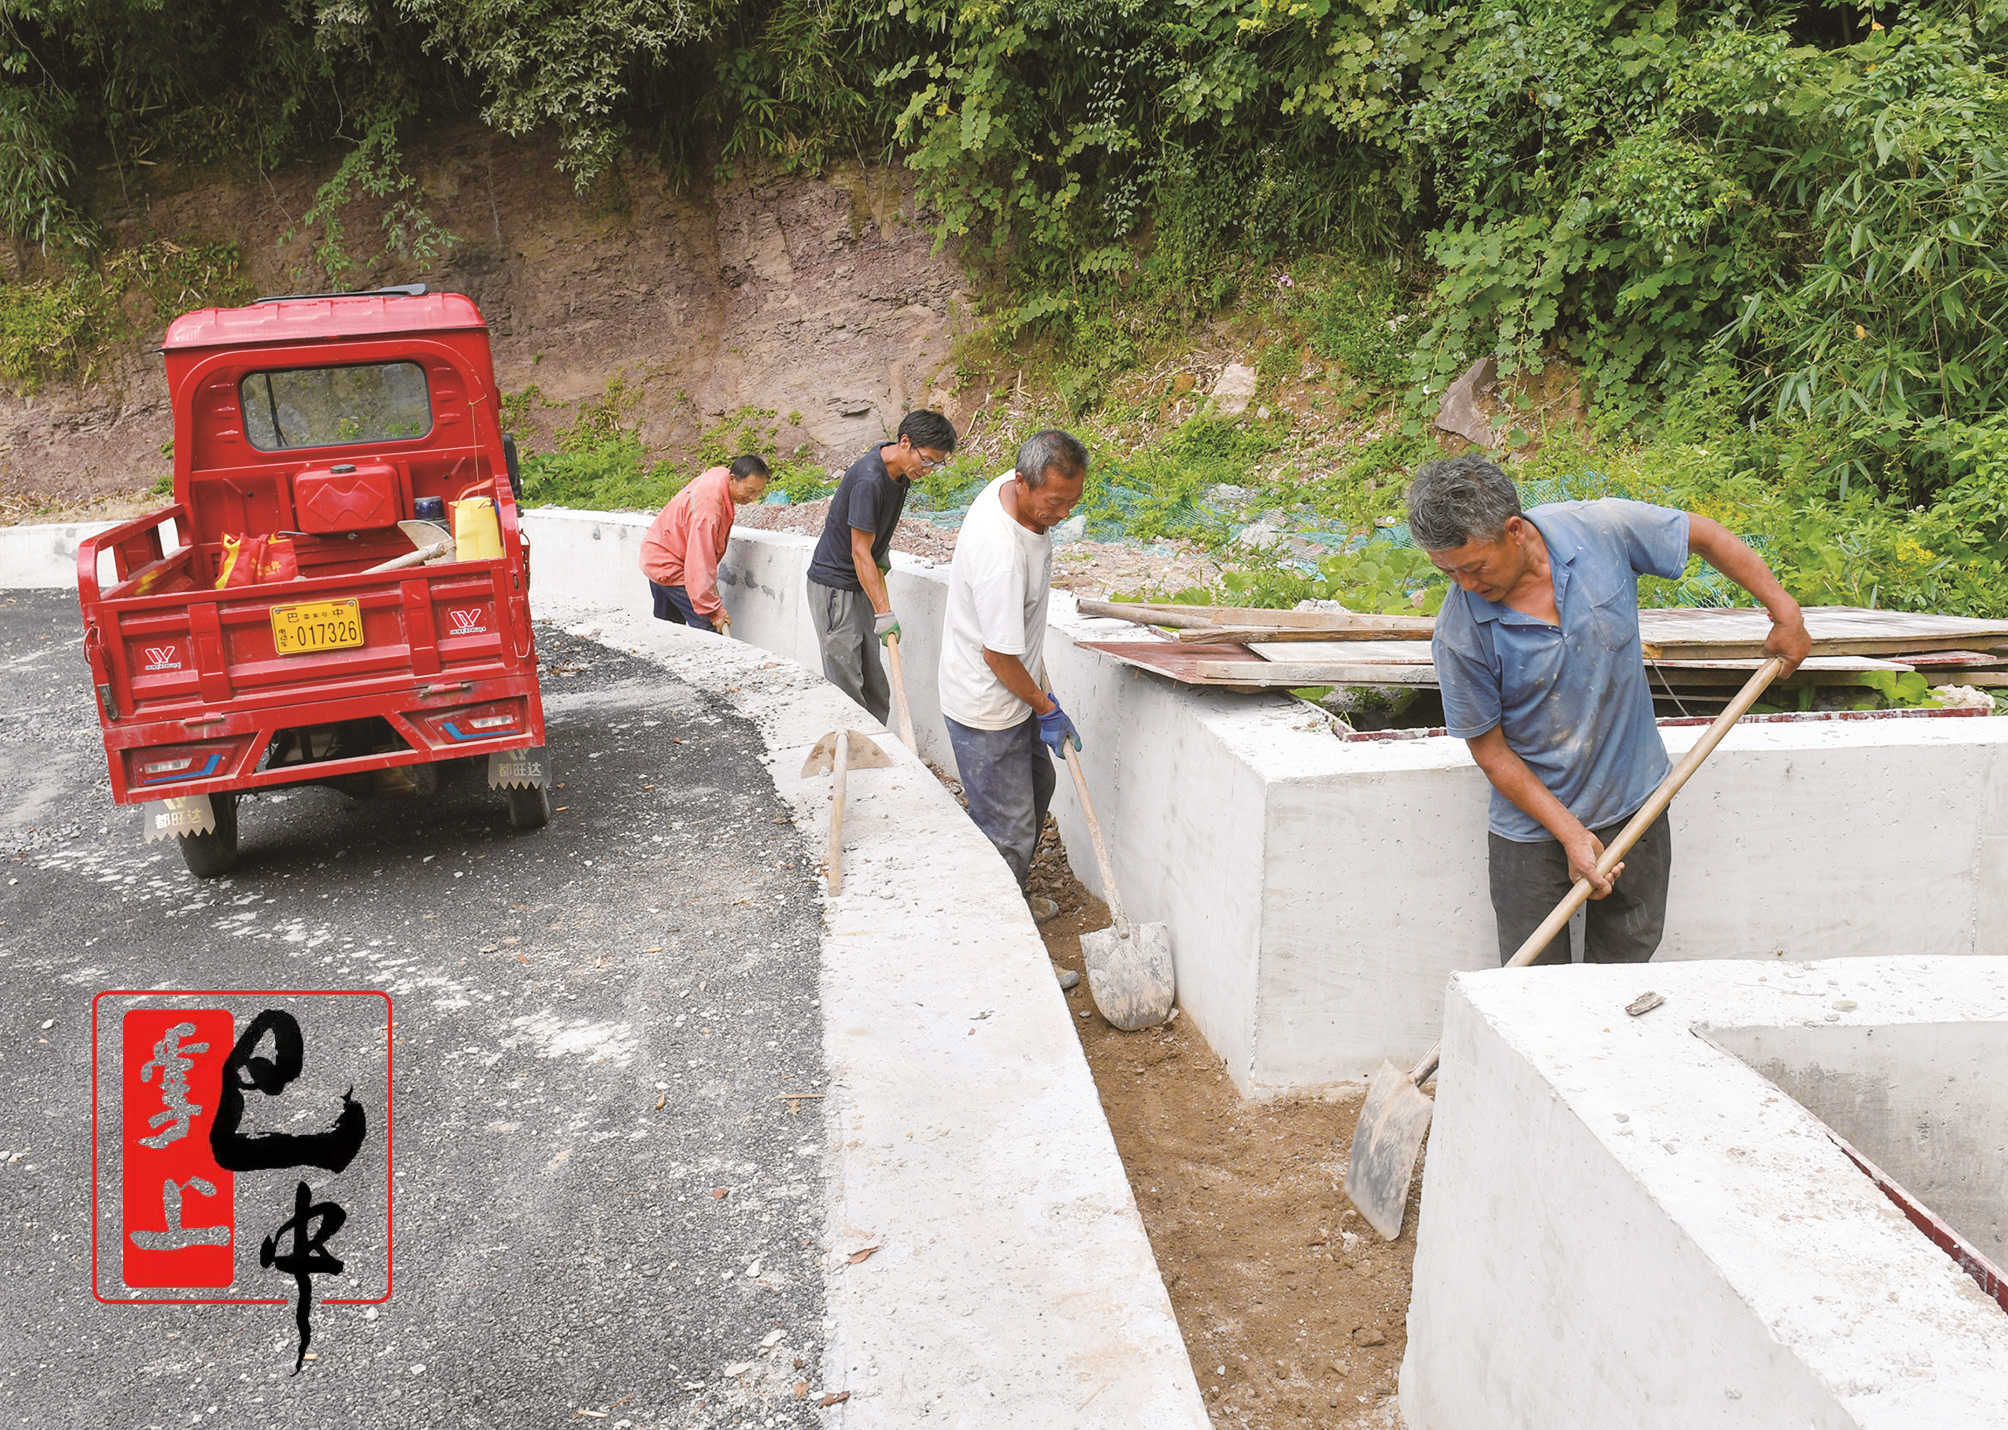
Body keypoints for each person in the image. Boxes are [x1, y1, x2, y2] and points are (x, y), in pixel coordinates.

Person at [1407, 455, 1811, 966]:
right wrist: (1571, 834)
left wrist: (1784, 612)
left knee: (1622, 973)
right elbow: (1491, 754)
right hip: (1532, 832)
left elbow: (1703, 535)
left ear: (1515, 531)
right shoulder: (1461, 634)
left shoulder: (1599, 530)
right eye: (1448, 572)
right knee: (1531, 992)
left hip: (1636, 803)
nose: (1464, 584)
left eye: (1474, 567)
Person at [940, 430, 1089, 950]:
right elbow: (998, 656)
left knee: (1037, 788)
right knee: (1007, 833)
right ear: (1023, 483)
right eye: (1055, 503)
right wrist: (1047, 706)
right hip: (986, 704)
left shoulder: (1016, 489)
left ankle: (1011, 895)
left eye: (1073, 501)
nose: (1064, 514)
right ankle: (1001, 945)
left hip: (1014, 690)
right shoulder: (1000, 554)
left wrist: (1038, 692)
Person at [805, 410, 957, 722]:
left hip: (860, 582)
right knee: (846, 685)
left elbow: (872, 542)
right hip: (835, 588)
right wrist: (884, 611)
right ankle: (850, 756)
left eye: (937, 464)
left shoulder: (899, 475)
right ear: (905, 442)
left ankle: (879, 752)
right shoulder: (869, 479)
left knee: (875, 685)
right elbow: (860, 552)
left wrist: (881, 556)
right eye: (927, 460)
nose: (929, 469)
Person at [640, 455, 770, 634]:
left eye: (758, 492)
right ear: (732, 479)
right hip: (669, 564)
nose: (753, 497)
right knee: (709, 630)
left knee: (668, 631)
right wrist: (714, 611)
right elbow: (699, 563)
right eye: (749, 491)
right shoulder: (709, 511)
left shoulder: (721, 476)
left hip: (658, 551)